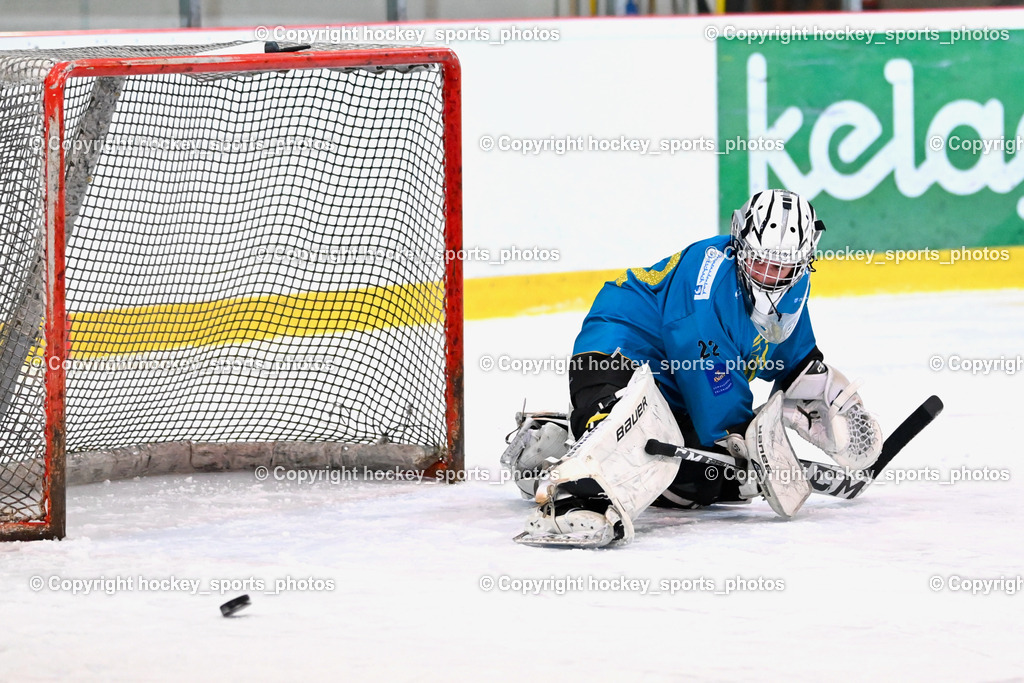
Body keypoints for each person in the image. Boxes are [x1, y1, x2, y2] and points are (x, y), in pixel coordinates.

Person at [502, 189, 884, 547]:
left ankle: (559, 438)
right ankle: (577, 493)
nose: (769, 275)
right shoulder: (706, 285)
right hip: (619, 347)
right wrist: (753, 450)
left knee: (698, 484)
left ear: (803, 263)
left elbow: (796, 364)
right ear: (739, 247)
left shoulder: (793, 292)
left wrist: (826, 394)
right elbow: (720, 406)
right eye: (760, 261)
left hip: (679, 388)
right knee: (628, 427)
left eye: (782, 267)